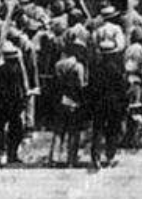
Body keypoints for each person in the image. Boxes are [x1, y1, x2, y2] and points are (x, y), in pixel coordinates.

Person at [0, 41, 29, 166]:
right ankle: (12, 154)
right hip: (12, 104)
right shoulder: (14, 69)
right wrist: (22, 101)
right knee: (16, 129)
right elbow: (18, 89)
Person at [88, 38, 127, 168]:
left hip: (99, 103)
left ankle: (96, 157)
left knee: (97, 130)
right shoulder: (116, 69)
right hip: (114, 104)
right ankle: (110, 156)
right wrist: (123, 105)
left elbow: (91, 88)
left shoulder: (95, 69)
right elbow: (122, 89)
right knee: (112, 131)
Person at [52, 39, 87, 167]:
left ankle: (54, 158)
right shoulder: (78, 66)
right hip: (74, 100)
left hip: (60, 99)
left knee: (59, 131)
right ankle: (71, 159)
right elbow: (81, 84)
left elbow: (55, 83)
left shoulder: (58, 65)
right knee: (74, 131)